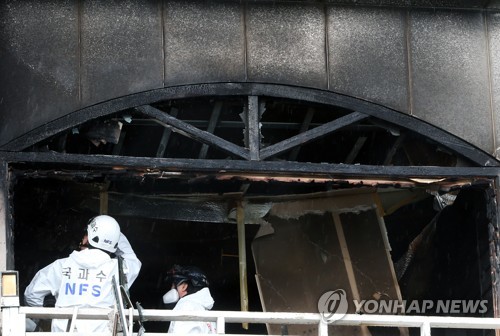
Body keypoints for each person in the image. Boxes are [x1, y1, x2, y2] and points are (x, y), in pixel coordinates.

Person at [24, 215, 142, 333]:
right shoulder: (118, 269)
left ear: (87, 238)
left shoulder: (62, 265)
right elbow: (133, 260)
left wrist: (44, 321)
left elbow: (31, 294)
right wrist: (114, 236)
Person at [163, 264, 216, 334]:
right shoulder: (206, 312)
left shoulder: (186, 306)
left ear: (184, 287)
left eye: (174, 286)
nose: (172, 289)